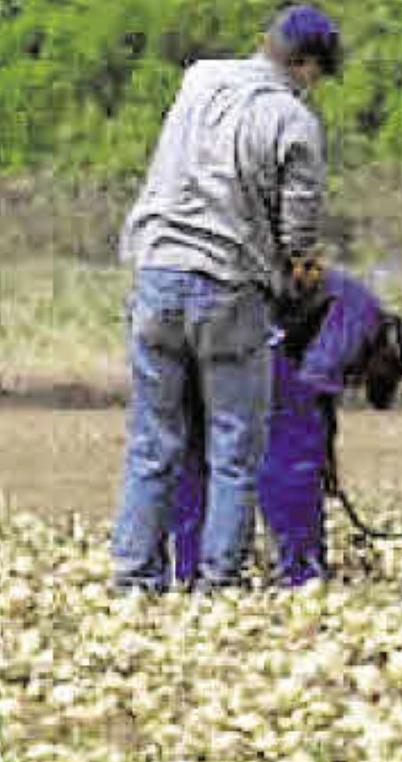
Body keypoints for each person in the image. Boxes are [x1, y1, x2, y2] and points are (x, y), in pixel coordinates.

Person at [111, 5, 341, 591]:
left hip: (156, 271)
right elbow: (297, 235)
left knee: (153, 441)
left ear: (267, 43)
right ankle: (219, 580)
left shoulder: (199, 77)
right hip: (227, 285)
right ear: (308, 66)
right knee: (235, 446)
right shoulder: (293, 119)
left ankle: (135, 576)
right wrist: (304, 275)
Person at [172, 270, 402, 587]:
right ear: (387, 354)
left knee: (197, 450)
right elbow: (312, 393)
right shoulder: (360, 314)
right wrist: (321, 458)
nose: (359, 383)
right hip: (254, 333)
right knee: (293, 456)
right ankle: (301, 570)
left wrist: (329, 459)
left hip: (195, 314)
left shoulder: (353, 307)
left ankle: (186, 568)